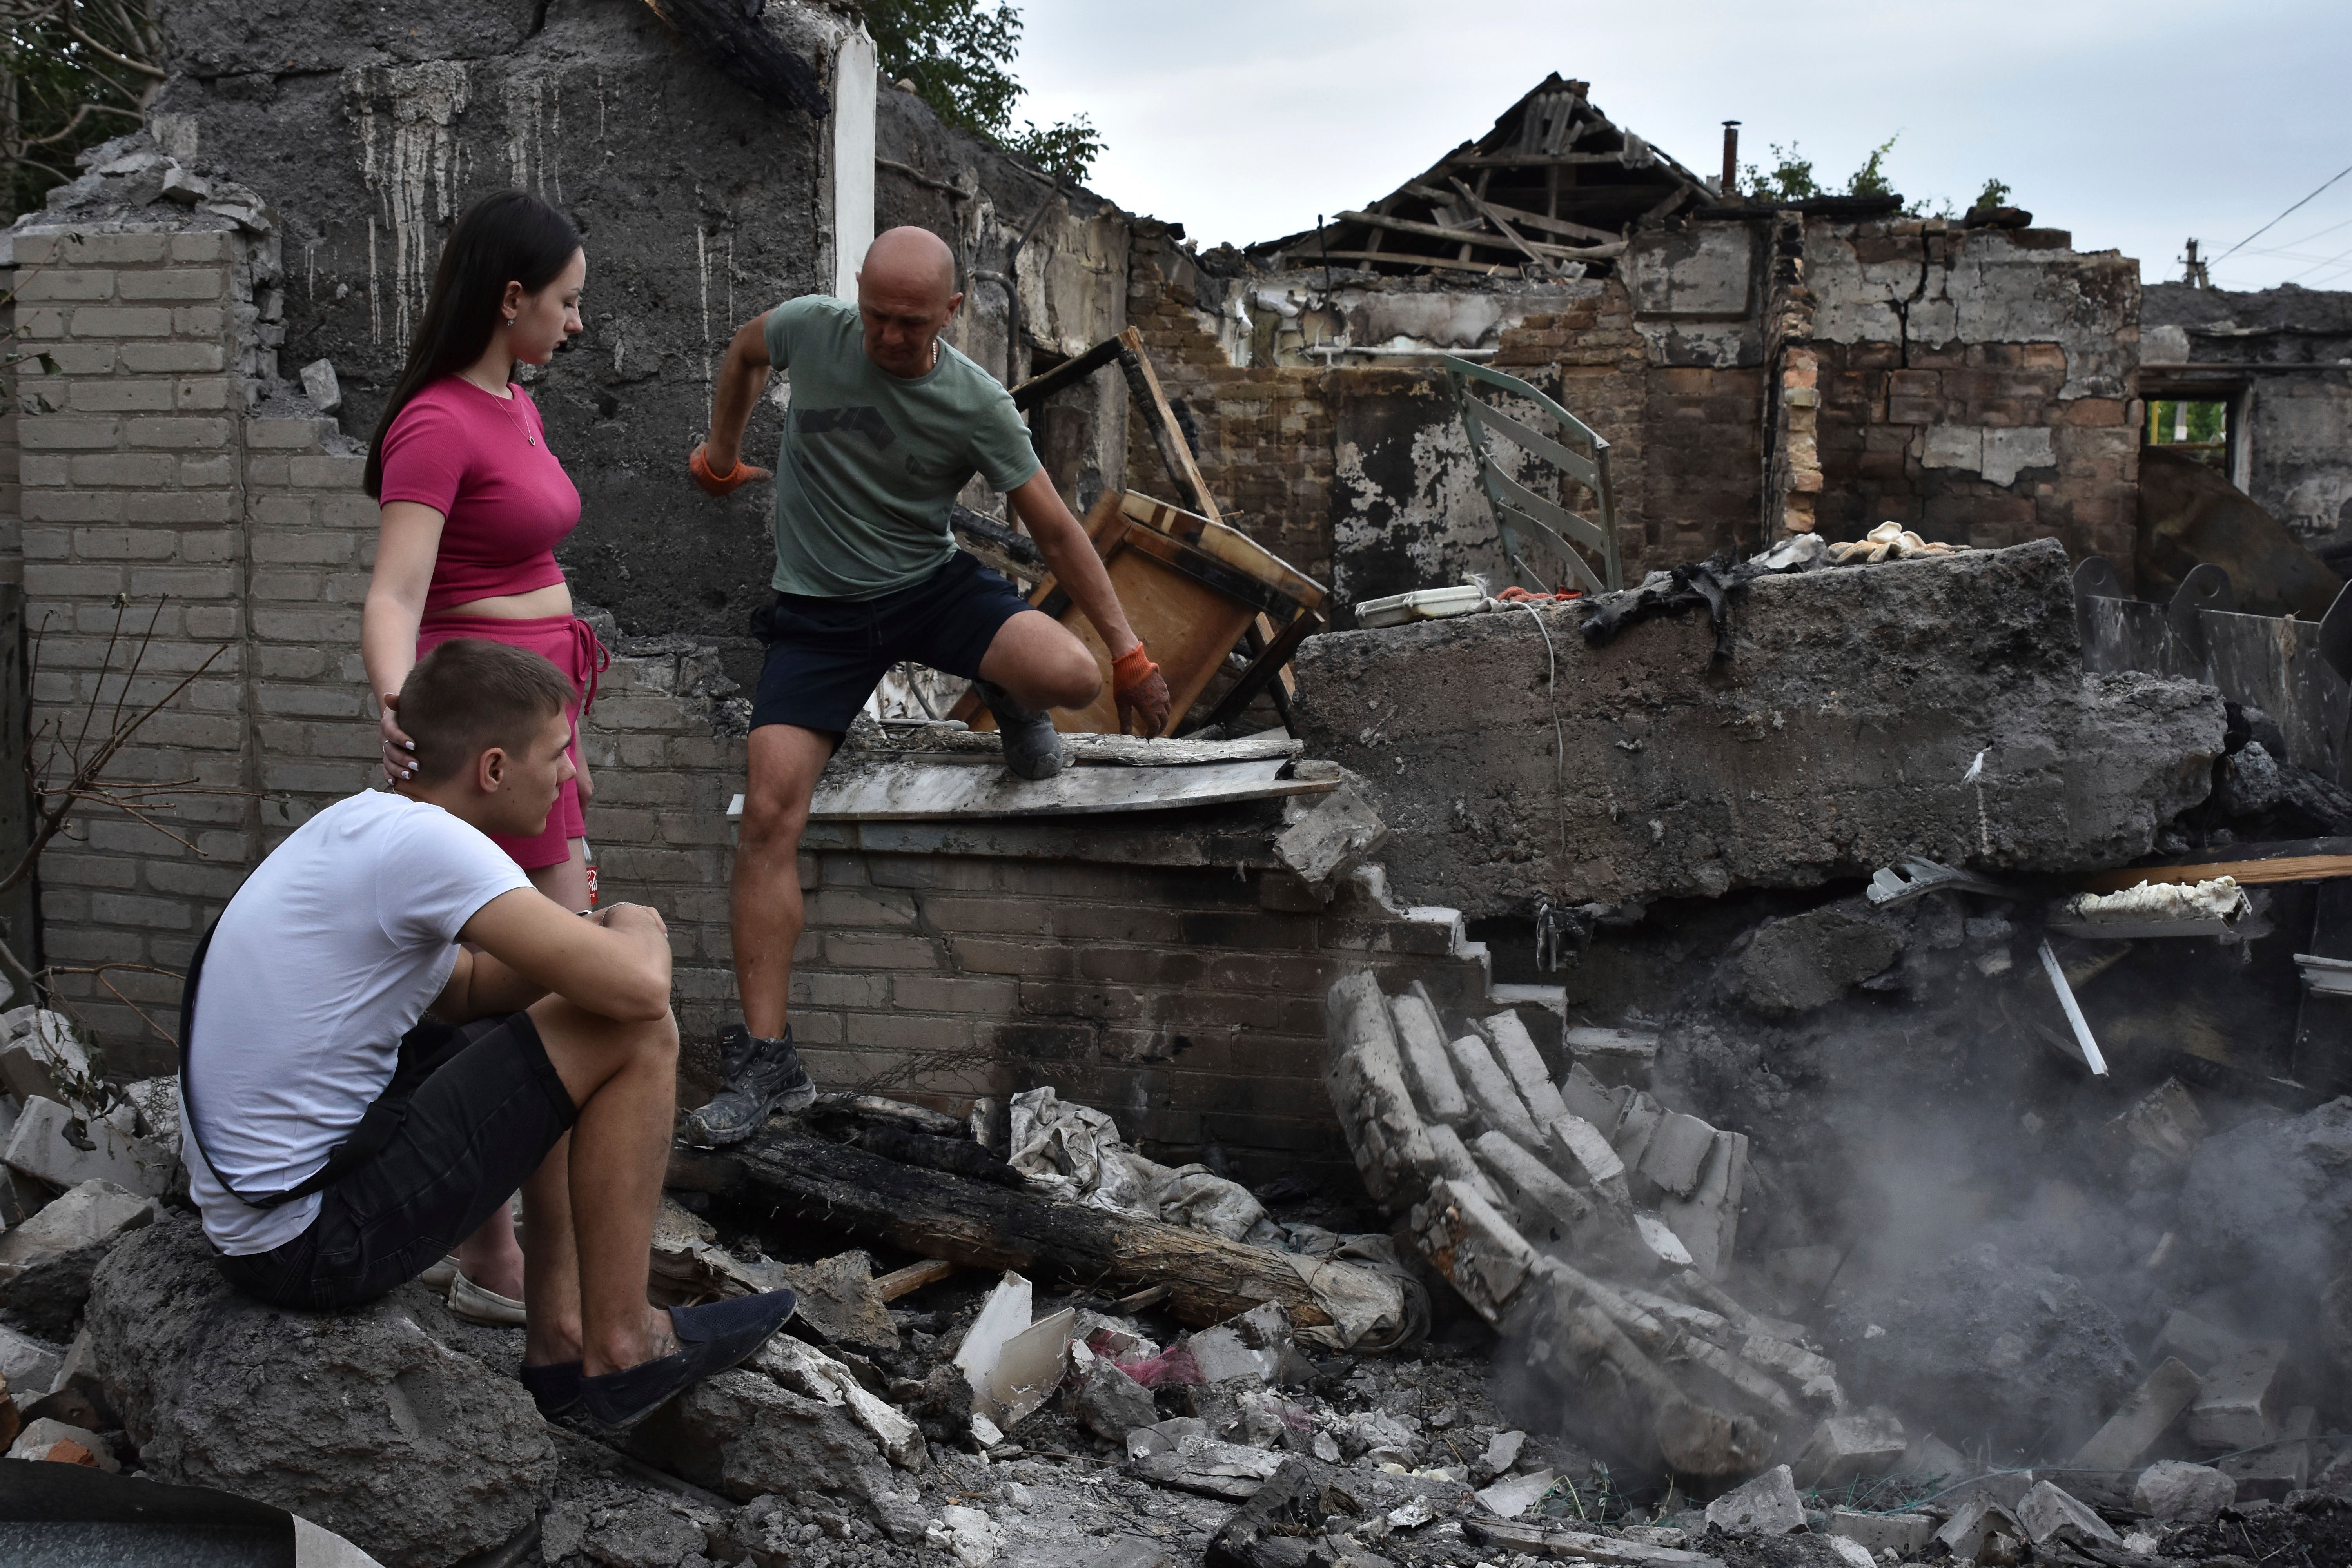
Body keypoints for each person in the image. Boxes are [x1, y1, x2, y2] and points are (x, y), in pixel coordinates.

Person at [179, 639, 797, 1432]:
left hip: (267, 1226)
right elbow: (640, 989)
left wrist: (576, 943)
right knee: (638, 1030)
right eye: (558, 752)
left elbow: (468, 992)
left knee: (548, 1018)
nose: (572, 774)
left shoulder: (363, 825)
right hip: (313, 1242)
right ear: (495, 768)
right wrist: (636, 925)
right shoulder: (435, 846)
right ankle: (622, 1342)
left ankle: (561, 1340)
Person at [681, 226, 1174, 1147]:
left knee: (1069, 673)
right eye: (876, 315)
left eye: (912, 323)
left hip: (925, 591)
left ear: (952, 314)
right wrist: (721, 450)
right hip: (818, 616)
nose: (889, 338)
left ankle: (1010, 690)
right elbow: (746, 350)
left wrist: (1131, 655)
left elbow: (1062, 534)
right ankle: (768, 1062)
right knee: (769, 813)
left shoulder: (976, 402)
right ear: (855, 292)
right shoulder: (813, 329)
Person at [358, 189, 608, 1321]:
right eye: (563, 302)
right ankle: (501, 1256)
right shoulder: (436, 421)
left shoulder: (519, 405)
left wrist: (571, 742)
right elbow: (396, 592)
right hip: (485, 746)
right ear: (511, 299)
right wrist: (400, 704)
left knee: (545, 980)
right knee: (537, 988)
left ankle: (515, 1253)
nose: (574, 323)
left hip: (540, 726)